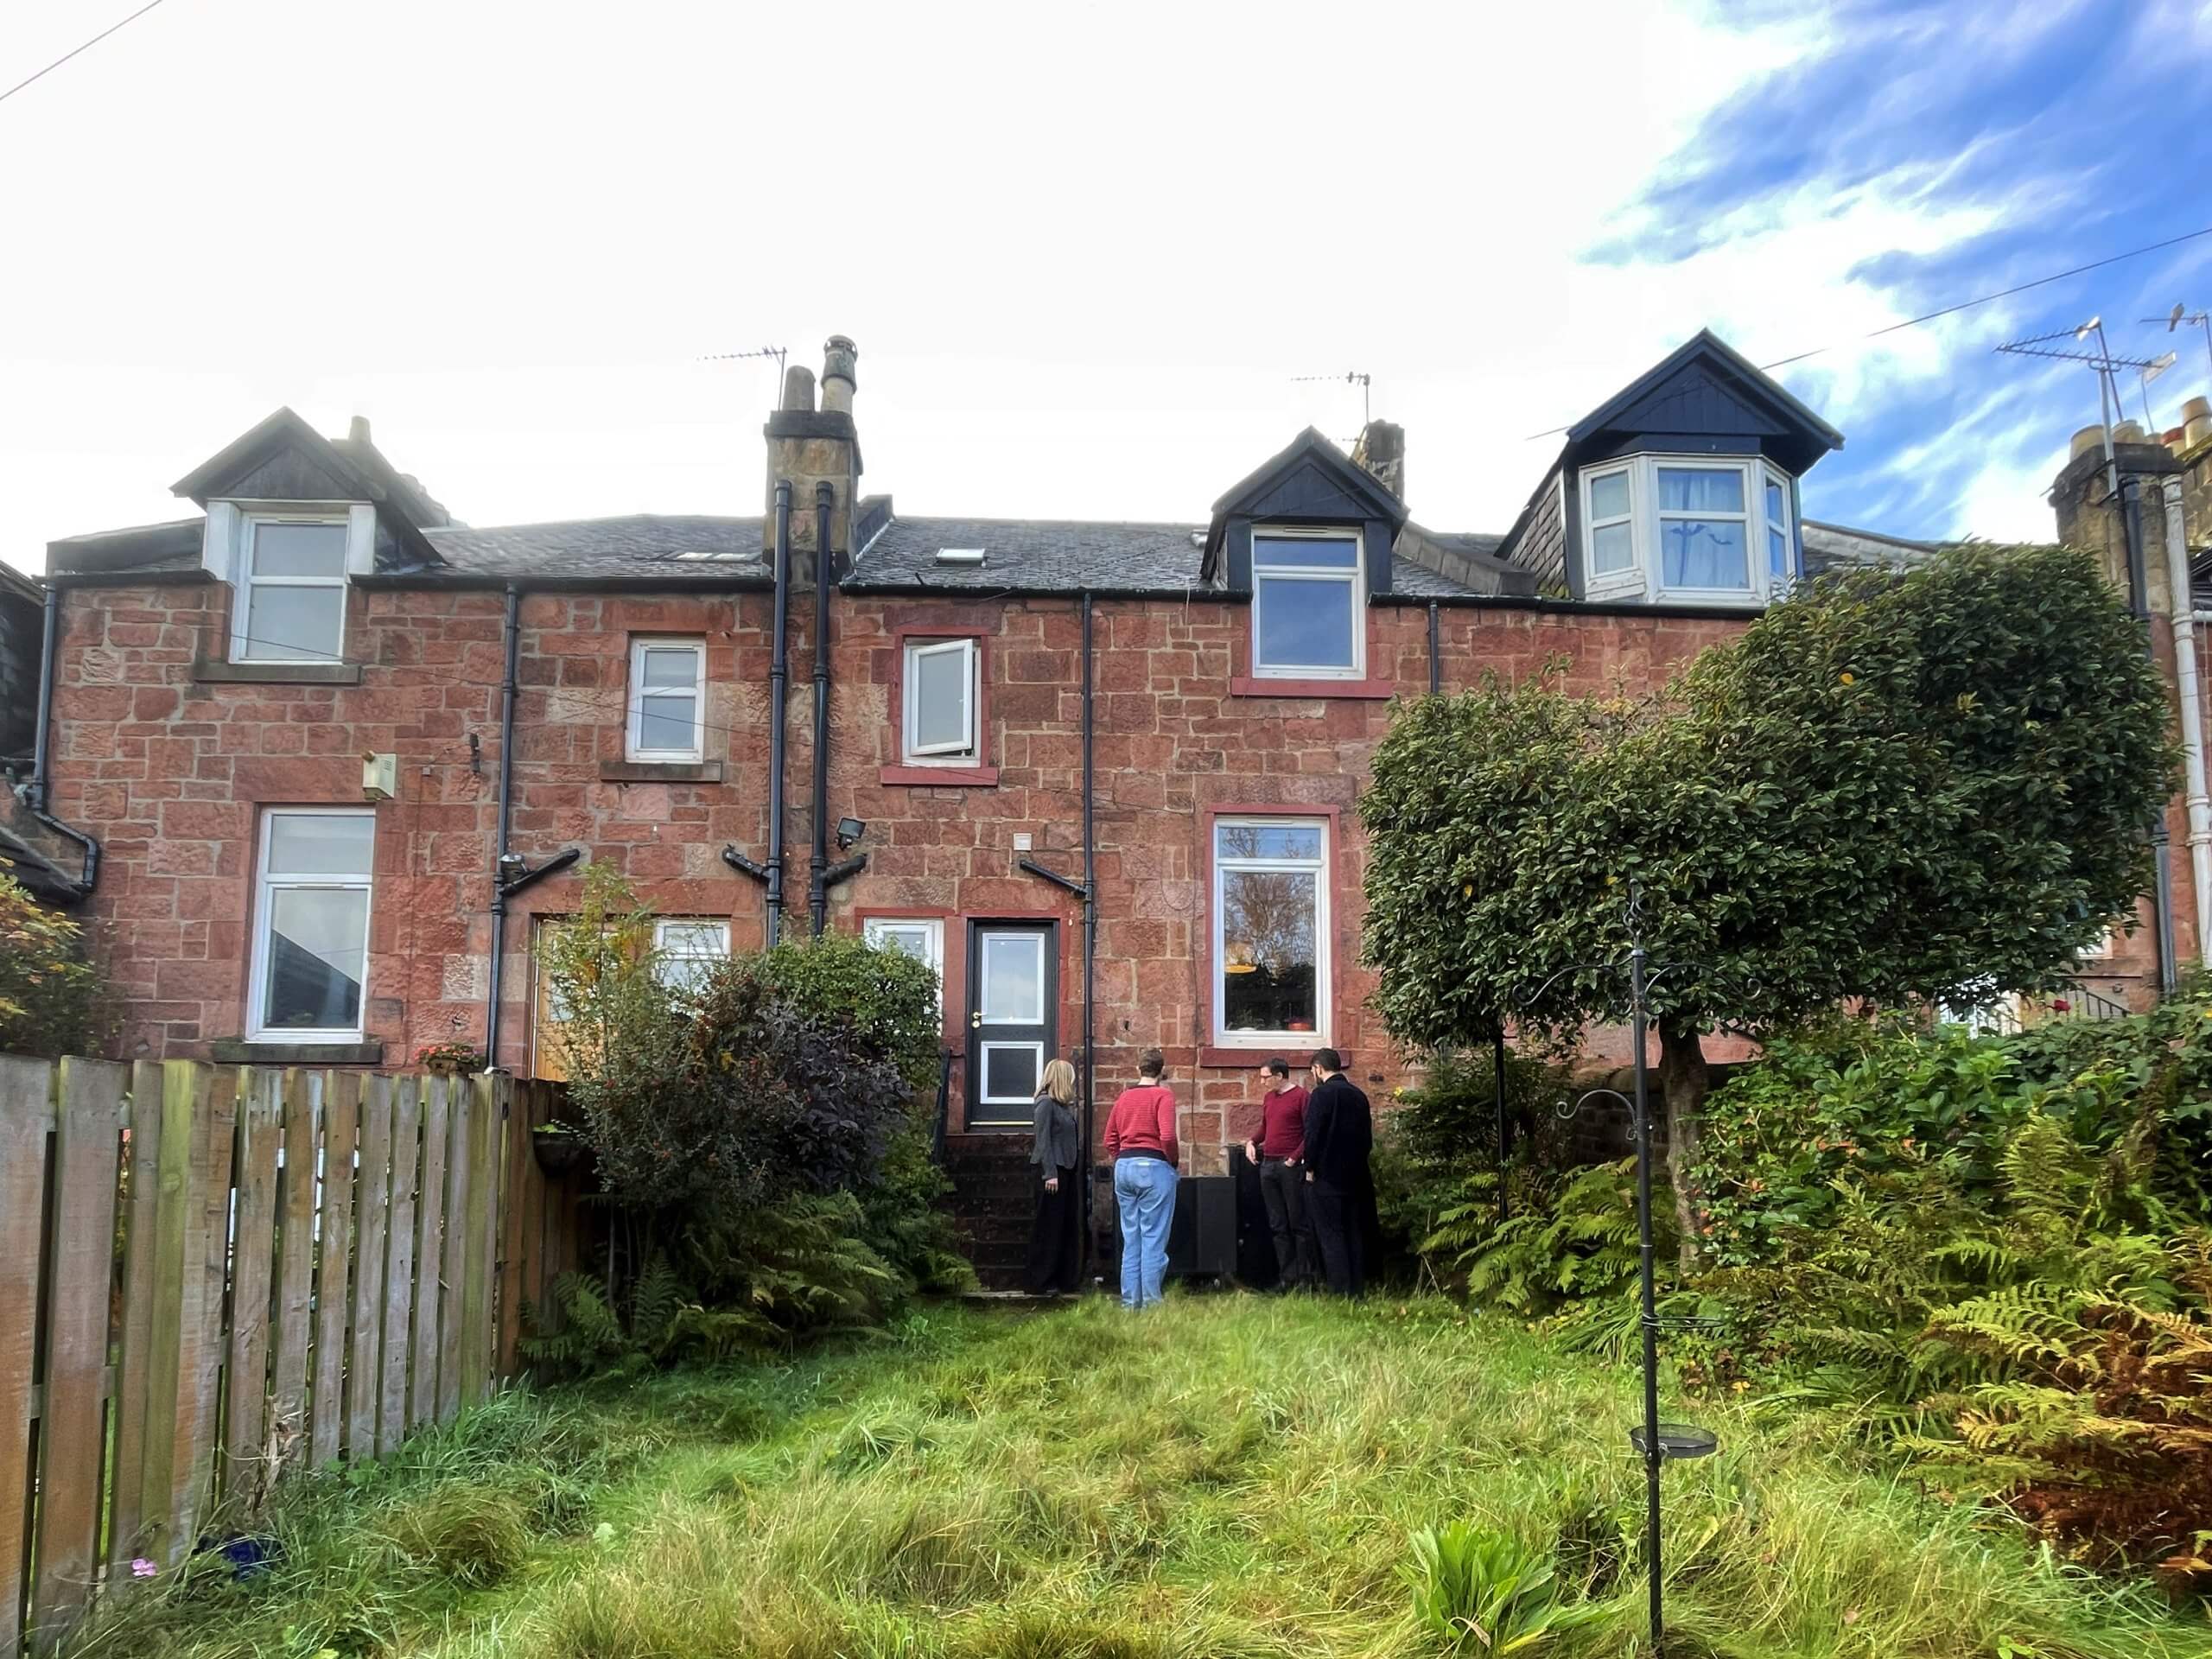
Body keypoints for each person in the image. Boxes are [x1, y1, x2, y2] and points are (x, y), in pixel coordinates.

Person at [1103, 1047, 1179, 1309]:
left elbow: (1109, 1139)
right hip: (1154, 1166)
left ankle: (1129, 1304)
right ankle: (1151, 1305)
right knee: (1153, 1239)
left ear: (1139, 1070)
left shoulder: (1123, 1097)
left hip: (1124, 1166)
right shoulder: (1163, 1096)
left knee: (1131, 1239)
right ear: (1161, 1072)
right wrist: (1172, 1162)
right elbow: (1168, 1136)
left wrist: (1121, 1158)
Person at [1302, 1048, 1372, 1298]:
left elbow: (1313, 1136)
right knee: (1353, 1232)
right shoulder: (1359, 1095)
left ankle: (1340, 1290)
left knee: (1331, 1234)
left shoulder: (1321, 1095)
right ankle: (1357, 1289)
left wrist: (1309, 1166)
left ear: (1319, 1069)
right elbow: (1367, 1140)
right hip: (1356, 1175)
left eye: (1313, 1072)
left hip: (1326, 1176)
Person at [1243, 1057, 1313, 1289]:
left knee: (1297, 1221)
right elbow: (1266, 1126)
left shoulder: (1302, 1097)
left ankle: (1305, 1277)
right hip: (1269, 1164)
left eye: (1266, 1077)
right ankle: (1287, 1277)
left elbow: (1309, 1132)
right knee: (1277, 1223)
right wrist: (1252, 1142)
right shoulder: (1269, 1098)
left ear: (1280, 1075)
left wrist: (1294, 1158)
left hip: (1289, 1165)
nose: (1263, 1082)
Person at [1025, 1058, 1083, 1295]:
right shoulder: (1045, 1104)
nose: (1073, 1081)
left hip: (1066, 1170)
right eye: (1069, 1077)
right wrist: (1050, 1173)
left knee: (1065, 1226)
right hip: (1052, 1172)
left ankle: (1063, 1279)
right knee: (1048, 1228)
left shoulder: (1062, 1107)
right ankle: (1041, 1280)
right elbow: (1043, 1140)